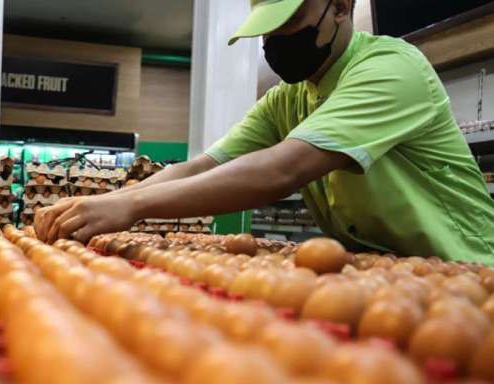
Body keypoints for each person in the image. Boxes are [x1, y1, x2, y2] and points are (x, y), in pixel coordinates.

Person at [35, 0, 494, 265]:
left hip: (469, 276)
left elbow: (284, 169)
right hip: (393, 275)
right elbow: (201, 166)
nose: (275, 42)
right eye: (267, 31)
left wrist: (130, 206)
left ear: (339, 7)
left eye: (289, 22)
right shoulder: (287, 100)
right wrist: (107, 202)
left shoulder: (391, 68)